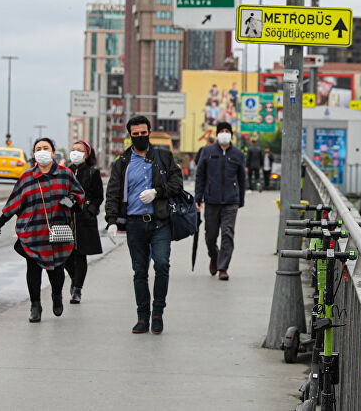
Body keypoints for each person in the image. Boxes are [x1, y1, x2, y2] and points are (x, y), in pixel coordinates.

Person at [105, 116, 183, 334]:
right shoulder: (122, 162)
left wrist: (157, 192)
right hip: (135, 224)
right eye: (135, 134)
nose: (140, 137)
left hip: (160, 222)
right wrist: (111, 221)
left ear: (150, 131)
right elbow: (112, 193)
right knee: (139, 271)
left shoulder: (163, 156)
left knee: (162, 265)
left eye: (143, 133)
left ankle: (158, 312)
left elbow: (177, 183)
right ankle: (142, 316)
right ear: (129, 135)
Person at [0, 138, 84, 323]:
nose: (42, 151)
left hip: (58, 232)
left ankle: (56, 296)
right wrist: (1, 221)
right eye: (38, 149)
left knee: (57, 270)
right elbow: (14, 201)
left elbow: (78, 194)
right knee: (33, 269)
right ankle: (35, 305)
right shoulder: (27, 177)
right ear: (34, 153)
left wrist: (68, 202)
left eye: (46, 148)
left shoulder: (65, 174)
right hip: (33, 232)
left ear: (53, 153)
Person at [195, 121, 246, 281]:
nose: (224, 133)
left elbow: (242, 179)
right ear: (217, 134)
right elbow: (200, 176)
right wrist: (198, 197)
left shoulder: (237, 154)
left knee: (227, 234)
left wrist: (240, 199)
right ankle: (214, 257)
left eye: (227, 131)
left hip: (231, 201)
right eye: (222, 131)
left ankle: (223, 268)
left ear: (231, 134)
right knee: (210, 236)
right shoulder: (207, 151)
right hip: (211, 200)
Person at [65, 140, 103, 304]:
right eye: (73, 150)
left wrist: (90, 211)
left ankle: (77, 289)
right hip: (67, 218)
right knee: (66, 256)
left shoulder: (93, 173)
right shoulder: (66, 172)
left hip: (85, 218)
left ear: (87, 154)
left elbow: (98, 197)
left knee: (80, 255)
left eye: (79, 150)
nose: (75, 153)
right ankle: (74, 279)